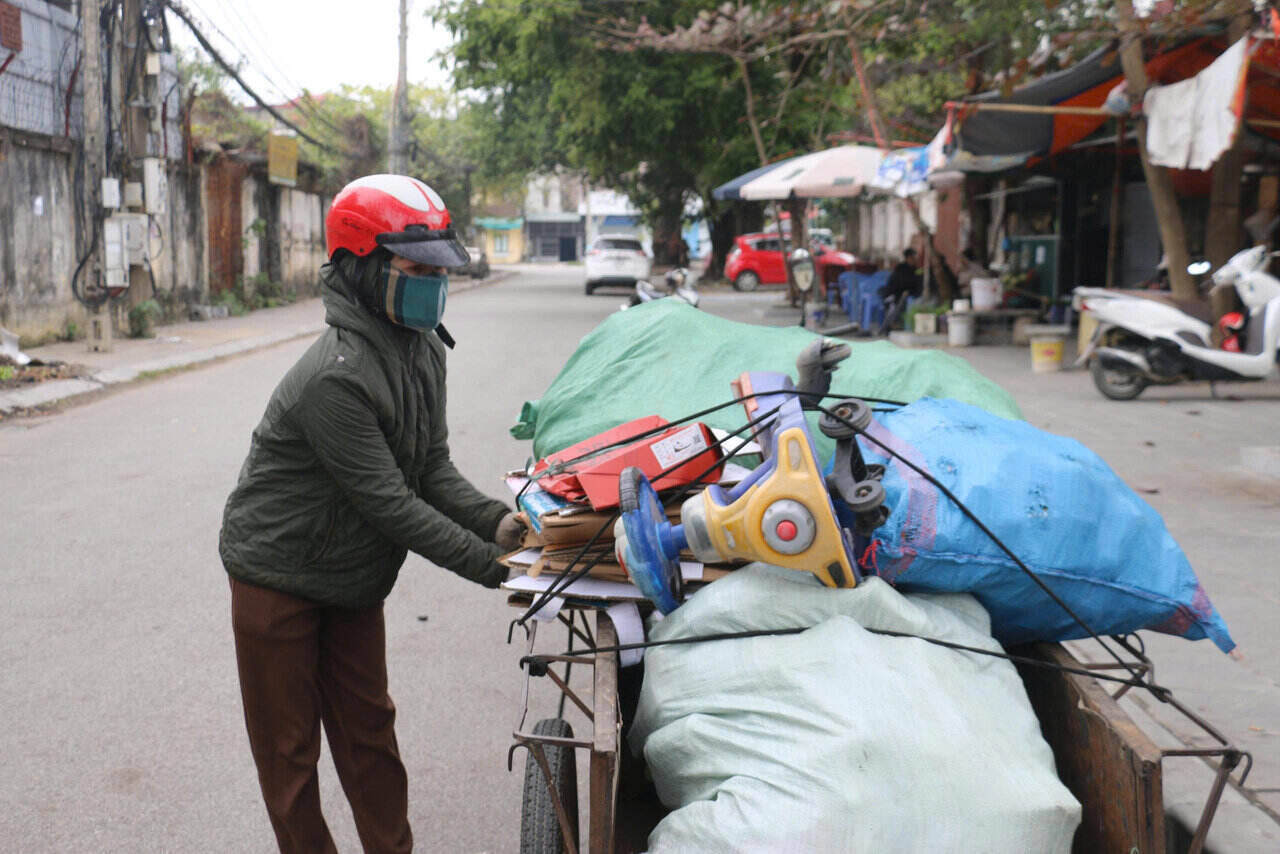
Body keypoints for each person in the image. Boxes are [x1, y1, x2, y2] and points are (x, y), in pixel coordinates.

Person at [219, 174, 525, 854]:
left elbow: (432, 467)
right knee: (291, 759)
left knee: (370, 737)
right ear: (362, 270)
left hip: (353, 576)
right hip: (276, 576)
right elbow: (390, 502)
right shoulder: (336, 375)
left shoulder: (421, 350)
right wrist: (495, 566)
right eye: (415, 271)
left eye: (436, 272)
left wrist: (500, 523)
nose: (432, 286)